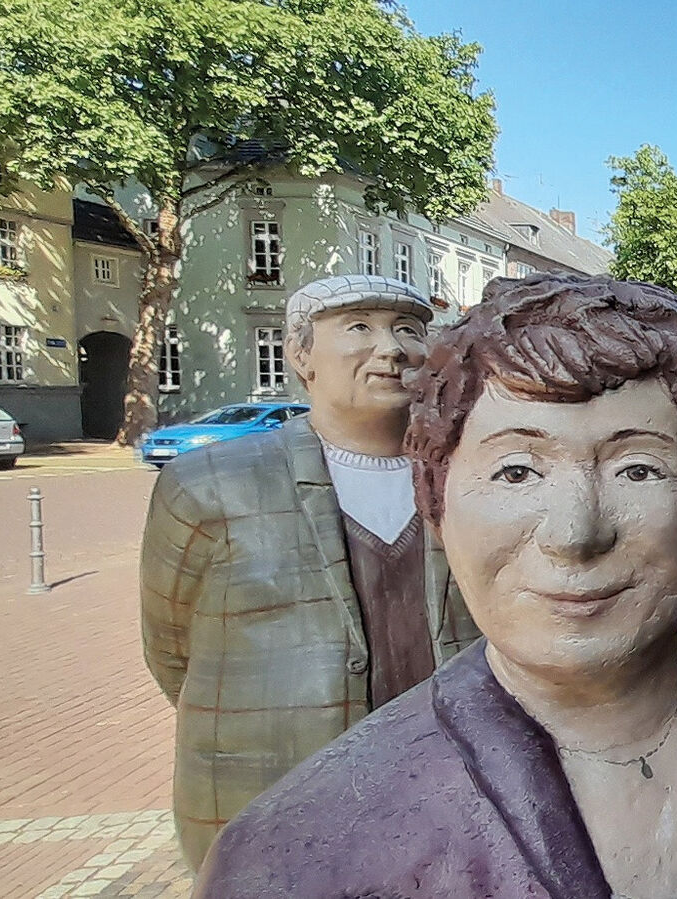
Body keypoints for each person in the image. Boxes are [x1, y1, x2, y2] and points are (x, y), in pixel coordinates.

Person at [197, 274, 677, 899]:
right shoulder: (296, 855)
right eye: (516, 471)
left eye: (637, 469)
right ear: (438, 502)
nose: (575, 532)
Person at [138, 275, 479, 869]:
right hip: (278, 796)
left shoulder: (474, 477)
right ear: (301, 355)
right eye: (358, 327)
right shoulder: (207, 484)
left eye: (408, 330)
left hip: (453, 791)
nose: (391, 348)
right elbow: (172, 650)